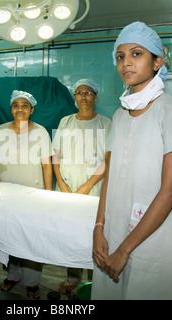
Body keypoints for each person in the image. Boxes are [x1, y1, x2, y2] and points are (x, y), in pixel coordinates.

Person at [91, 21, 172, 300]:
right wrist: (99, 228)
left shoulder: (171, 110)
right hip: (112, 230)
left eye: (137, 54)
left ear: (157, 61)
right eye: (120, 56)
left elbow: (171, 191)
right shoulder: (121, 115)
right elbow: (110, 176)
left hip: (150, 236)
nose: (126, 63)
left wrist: (124, 250)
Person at [52, 79, 111, 294]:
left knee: (93, 233)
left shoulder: (105, 123)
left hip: (93, 189)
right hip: (66, 187)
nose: (83, 96)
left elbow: (107, 160)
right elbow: (55, 156)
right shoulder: (65, 122)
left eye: (88, 92)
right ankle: (73, 277)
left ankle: (95, 280)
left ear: (95, 96)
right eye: (79, 92)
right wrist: (60, 182)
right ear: (74, 97)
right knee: (71, 234)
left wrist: (88, 185)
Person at [0, 90, 53, 299]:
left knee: (31, 238)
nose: (20, 109)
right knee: (9, 234)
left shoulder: (41, 132)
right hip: (6, 193)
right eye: (16, 105)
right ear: (11, 108)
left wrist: (47, 193)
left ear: (32, 110)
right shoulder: (0, 131)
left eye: (25, 105)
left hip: (33, 193)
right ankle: (13, 275)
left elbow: (47, 165)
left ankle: (32, 282)